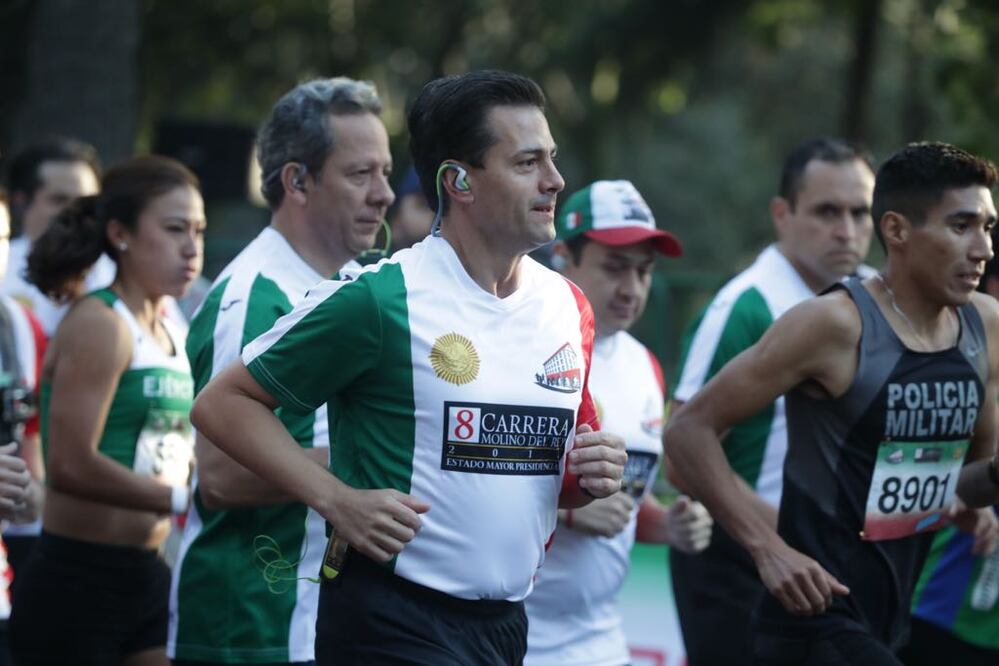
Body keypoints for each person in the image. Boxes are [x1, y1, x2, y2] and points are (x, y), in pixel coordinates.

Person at [190, 69, 627, 665]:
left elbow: (555, 474)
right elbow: (221, 403)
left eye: (551, 159)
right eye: (527, 163)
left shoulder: (567, 306)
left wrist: (592, 471)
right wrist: (335, 498)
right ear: (459, 181)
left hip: (505, 625)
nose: (556, 181)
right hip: (391, 617)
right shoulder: (381, 296)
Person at [664, 141, 999, 665]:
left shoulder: (985, 325)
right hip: (802, 609)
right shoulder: (818, 319)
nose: (984, 249)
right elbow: (684, 433)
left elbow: (956, 482)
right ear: (898, 230)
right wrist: (769, 548)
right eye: (962, 226)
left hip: (890, 610)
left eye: (988, 227)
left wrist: (978, 489)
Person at [169, 76, 394, 666]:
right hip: (245, 625)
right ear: (297, 181)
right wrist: (378, 458)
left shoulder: (347, 285)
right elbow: (217, 473)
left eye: (387, 173)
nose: (385, 194)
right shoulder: (254, 294)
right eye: (360, 174)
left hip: (306, 619)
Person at [669, 137, 876, 664]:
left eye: (861, 212)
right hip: (739, 569)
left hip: (833, 567)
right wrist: (784, 537)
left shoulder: (874, 298)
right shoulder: (744, 307)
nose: (847, 230)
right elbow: (679, 457)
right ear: (782, 214)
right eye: (827, 211)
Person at [8, 155, 206, 666]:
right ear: (120, 234)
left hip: (148, 570)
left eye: (199, 231)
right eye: (174, 229)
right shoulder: (100, 323)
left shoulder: (171, 326)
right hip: (77, 578)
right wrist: (184, 498)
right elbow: (71, 466)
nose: (192, 248)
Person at [525, 179, 712, 666]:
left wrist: (667, 524)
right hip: (517, 635)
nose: (631, 289)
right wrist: (566, 509)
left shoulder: (644, 364)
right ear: (564, 255)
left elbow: (625, 504)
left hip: (604, 639)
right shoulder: (523, 345)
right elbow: (460, 475)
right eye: (615, 268)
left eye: (645, 273)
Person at [1, 137, 112, 335]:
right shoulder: (4, 266)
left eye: (85, 202)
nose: (75, 213)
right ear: (20, 202)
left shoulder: (122, 274)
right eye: (59, 200)